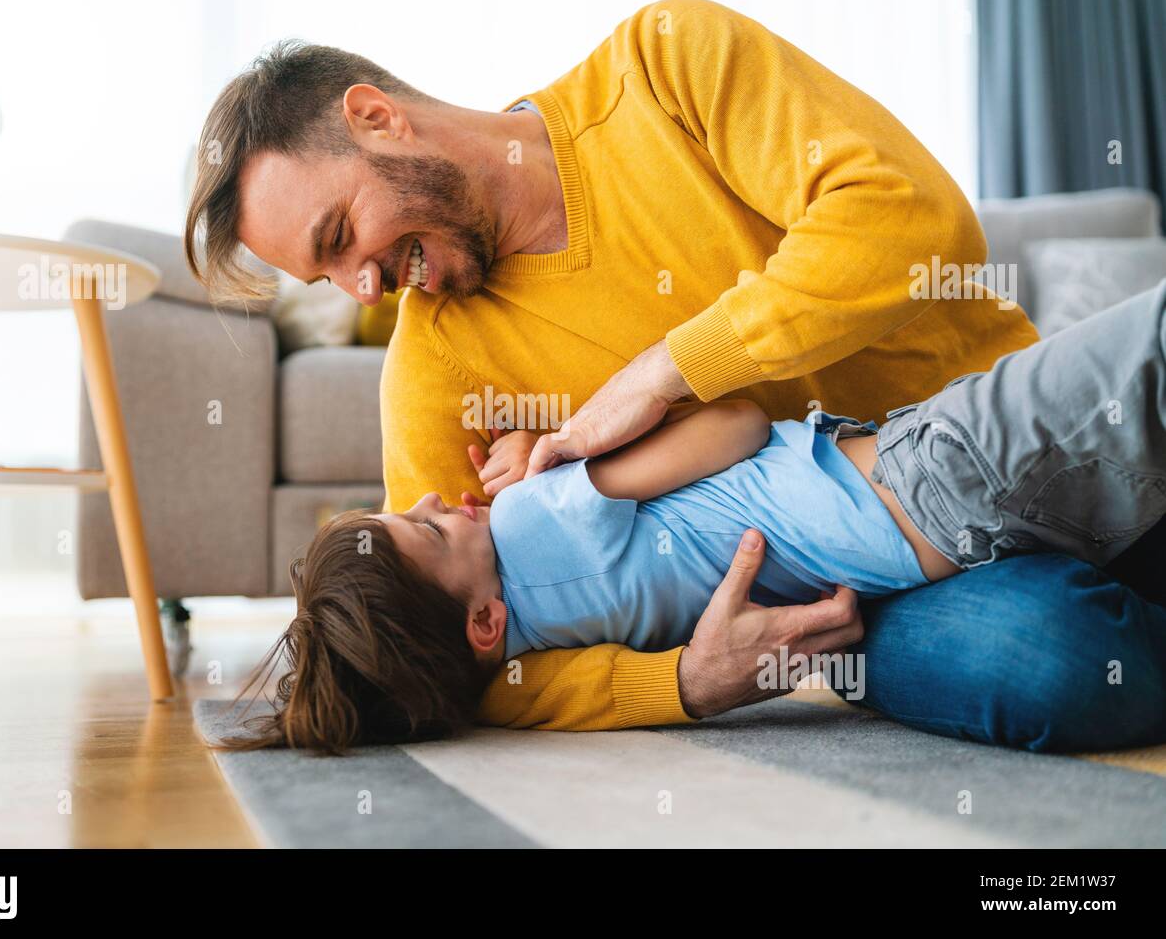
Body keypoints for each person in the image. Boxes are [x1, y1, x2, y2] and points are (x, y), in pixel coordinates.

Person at [186, 0, 1166, 749]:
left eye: (339, 235)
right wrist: (686, 684)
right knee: (1043, 660)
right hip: (868, 593)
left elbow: (909, 226)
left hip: (966, 438)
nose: (362, 287)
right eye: (326, 273)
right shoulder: (433, 365)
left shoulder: (666, 66)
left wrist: (662, 374)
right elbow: (454, 658)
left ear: (376, 118)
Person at [228, 284, 1166, 753]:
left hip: (929, 541)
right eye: (426, 528)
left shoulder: (542, 646)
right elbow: (738, 422)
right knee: (1144, 355)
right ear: (483, 623)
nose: (434, 497)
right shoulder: (530, 521)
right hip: (935, 469)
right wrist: (566, 444)